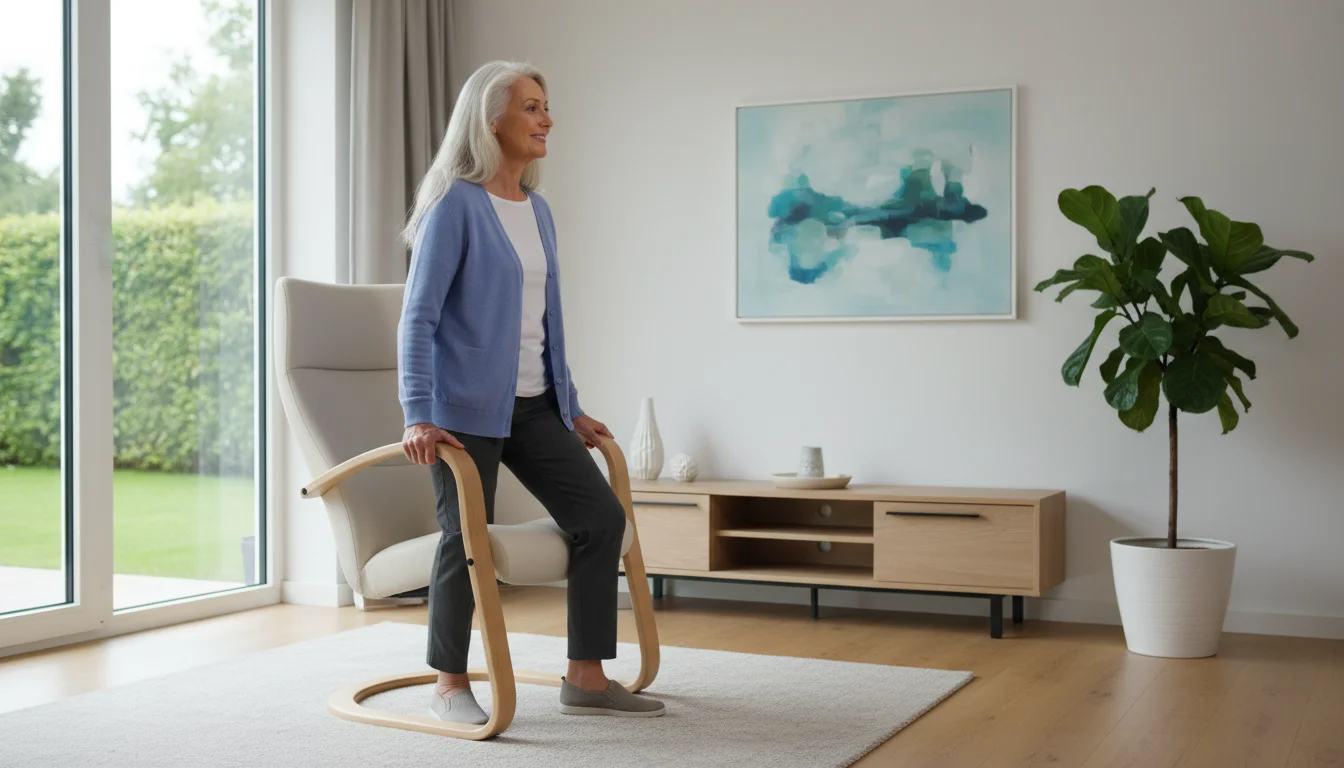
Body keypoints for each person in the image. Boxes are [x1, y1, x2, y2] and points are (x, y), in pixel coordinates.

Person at [396, 60, 665, 725]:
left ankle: (586, 675)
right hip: (462, 415)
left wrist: (568, 403)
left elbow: (547, 319)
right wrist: (419, 414)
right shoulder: (455, 205)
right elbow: (419, 316)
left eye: (546, 107)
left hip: (535, 405)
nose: (548, 120)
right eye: (532, 107)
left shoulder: (537, 210)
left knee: (602, 520)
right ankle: (450, 683)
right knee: (466, 538)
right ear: (494, 122)